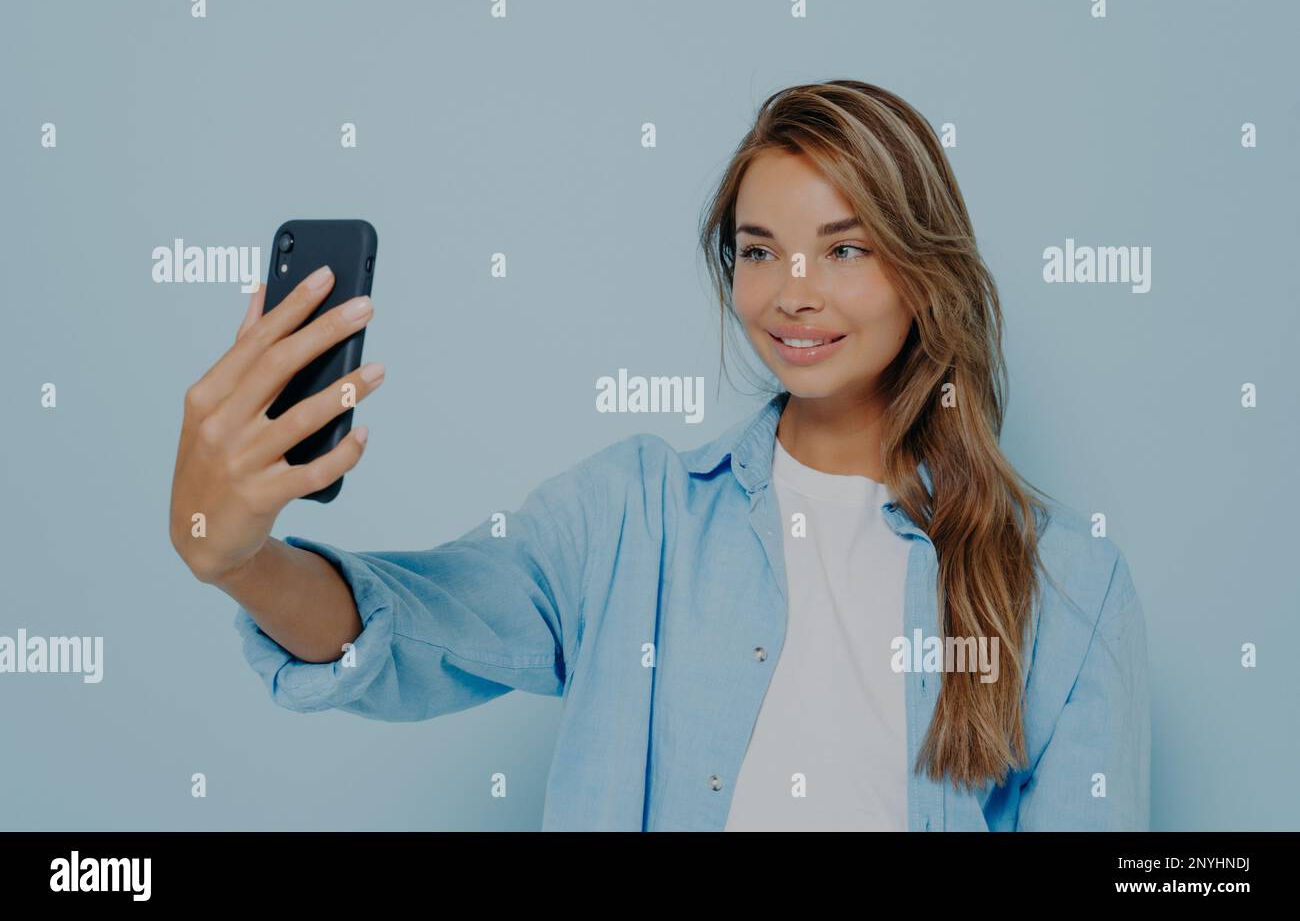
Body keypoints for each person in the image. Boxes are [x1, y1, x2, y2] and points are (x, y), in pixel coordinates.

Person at [169, 80, 1149, 831]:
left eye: (844, 249)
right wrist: (238, 557)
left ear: (926, 269)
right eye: (758, 249)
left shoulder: (1067, 585)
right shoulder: (631, 514)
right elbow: (418, 629)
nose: (790, 292)